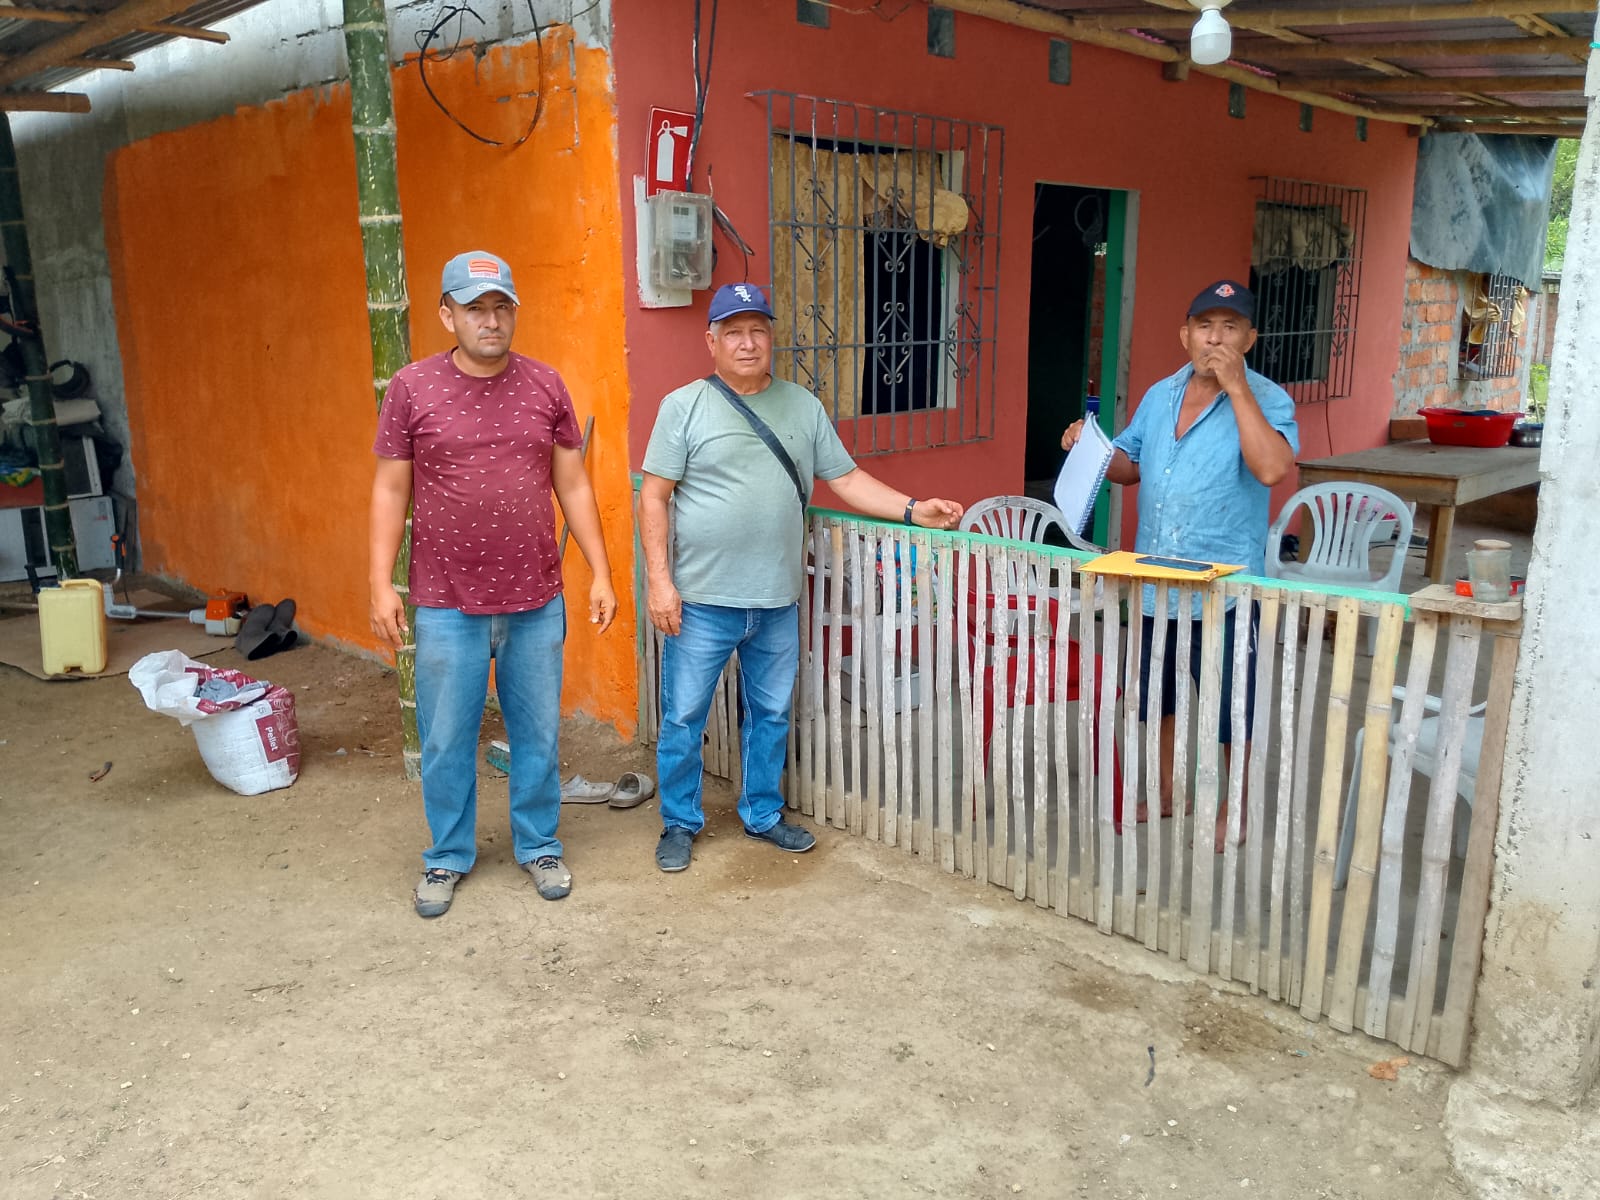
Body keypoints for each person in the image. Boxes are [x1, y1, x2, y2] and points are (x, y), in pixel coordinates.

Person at [639, 282, 965, 874]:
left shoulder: (803, 407)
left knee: (769, 715)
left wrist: (915, 509)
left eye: (757, 331)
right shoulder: (683, 406)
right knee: (684, 717)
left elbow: (847, 479)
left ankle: (762, 813)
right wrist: (660, 583)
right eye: (733, 333)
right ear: (711, 341)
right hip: (702, 600)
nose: (747, 343)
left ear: (771, 338)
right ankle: (680, 822)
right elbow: (654, 497)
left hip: (777, 600)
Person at [370, 250, 616, 918]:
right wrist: (380, 582)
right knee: (447, 738)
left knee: (537, 734)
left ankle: (539, 845)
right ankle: (447, 856)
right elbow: (391, 489)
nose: (490, 320)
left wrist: (600, 571)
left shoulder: (545, 385)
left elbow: (573, 483)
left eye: (501, 307)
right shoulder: (412, 388)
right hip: (445, 600)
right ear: (446, 314)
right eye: (474, 308)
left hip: (535, 597)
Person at [1060, 279, 1298, 851]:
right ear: (1184, 334)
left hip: (1226, 588)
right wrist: (1090, 447)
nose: (1215, 339)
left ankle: (1234, 805)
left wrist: (1237, 390)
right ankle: (1166, 793)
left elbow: (1272, 470)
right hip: (1157, 581)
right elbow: (1130, 467)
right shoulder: (1160, 394)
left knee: (1231, 706)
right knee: (1156, 699)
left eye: (1229, 327)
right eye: (1204, 326)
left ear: (1249, 339)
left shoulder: (1269, 399)